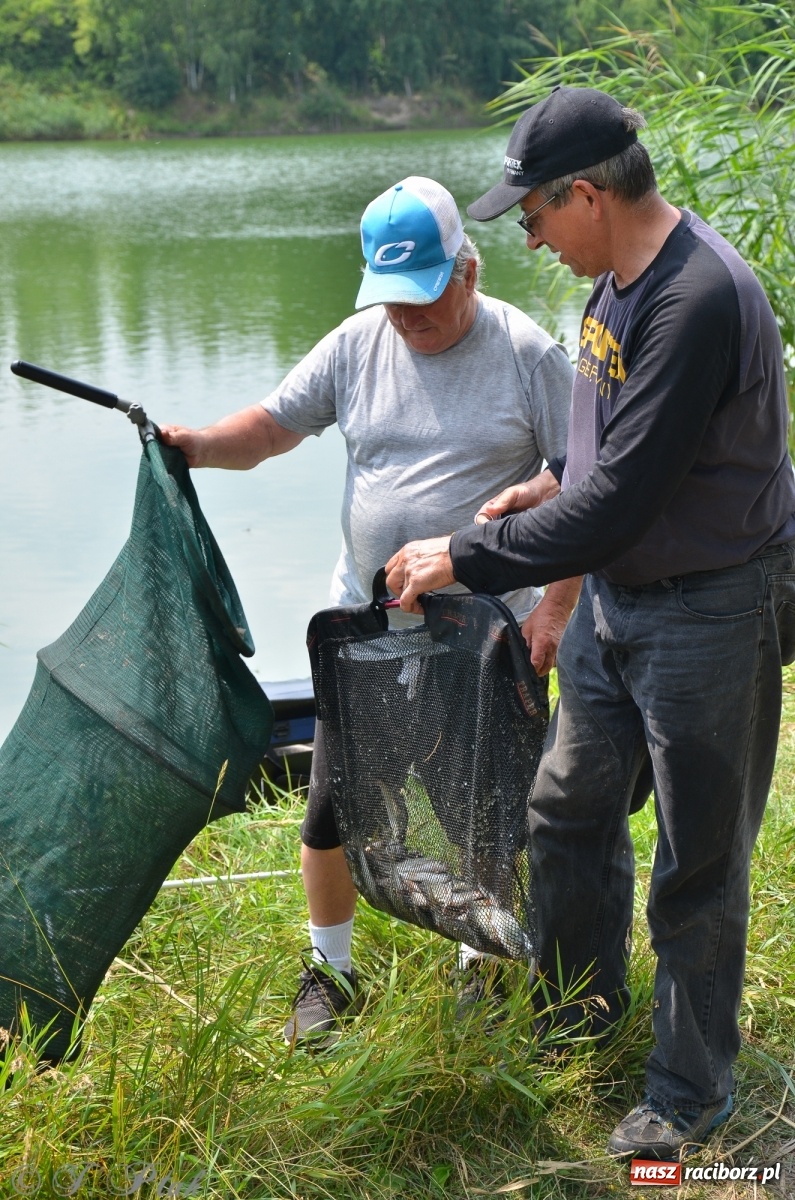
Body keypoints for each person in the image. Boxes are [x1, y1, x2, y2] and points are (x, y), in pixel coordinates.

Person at [384, 88, 795, 1160]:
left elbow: (623, 503)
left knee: (697, 861)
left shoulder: (697, 296)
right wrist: (547, 483)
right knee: (565, 809)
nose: (524, 235)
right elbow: (604, 459)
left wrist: (462, 555)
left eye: (531, 214)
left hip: (711, 607)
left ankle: (690, 1094)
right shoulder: (611, 282)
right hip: (619, 600)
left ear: (588, 193)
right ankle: (580, 1020)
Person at [159, 176, 577, 1048]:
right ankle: (332, 971)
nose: (406, 319)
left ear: (468, 268)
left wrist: (557, 611)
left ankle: (482, 968)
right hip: (366, 624)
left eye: (422, 298)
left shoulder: (528, 352)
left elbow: (584, 489)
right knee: (331, 806)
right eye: (389, 300)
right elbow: (273, 427)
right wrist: (195, 447)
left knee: (483, 808)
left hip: (485, 630)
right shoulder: (356, 342)